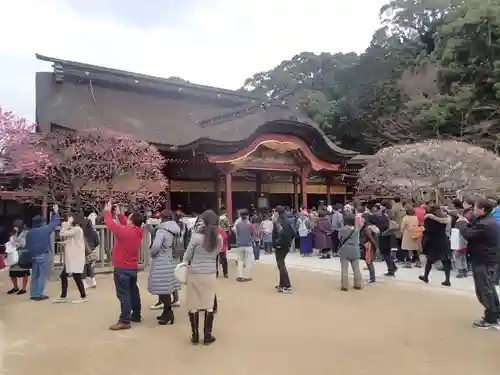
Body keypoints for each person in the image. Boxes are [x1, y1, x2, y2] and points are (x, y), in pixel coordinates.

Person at [456, 198, 500, 329]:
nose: (474, 211)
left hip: (483, 260)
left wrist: (461, 224)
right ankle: (496, 313)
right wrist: (467, 222)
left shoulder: (486, 224)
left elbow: (469, 234)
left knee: (484, 290)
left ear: (482, 209)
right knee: (489, 288)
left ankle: (491, 318)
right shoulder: (488, 221)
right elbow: (474, 227)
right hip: (487, 259)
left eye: (476, 208)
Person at [182, 210, 222, 345]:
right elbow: (216, 254)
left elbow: (186, 257)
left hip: (195, 273)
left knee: (194, 304)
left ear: (203, 222)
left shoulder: (195, 237)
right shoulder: (219, 238)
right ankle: (207, 336)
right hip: (210, 274)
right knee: (209, 304)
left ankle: (195, 335)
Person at [104, 202, 144, 331]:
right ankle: (136, 314)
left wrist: (107, 211)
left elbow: (109, 224)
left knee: (124, 294)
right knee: (133, 292)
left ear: (131, 221)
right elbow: (125, 223)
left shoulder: (124, 232)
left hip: (122, 268)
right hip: (132, 267)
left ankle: (125, 320)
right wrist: (119, 214)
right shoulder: (138, 231)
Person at [147, 209, 180, 325]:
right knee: (168, 287)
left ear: (162, 218)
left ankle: (168, 313)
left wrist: (151, 253)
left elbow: (156, 246)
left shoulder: (162, 230)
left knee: (162, 288)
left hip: (161, 261)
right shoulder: (176, 229)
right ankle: (166, 312)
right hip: (172, 259)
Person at [26, 204, 60, 301]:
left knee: (34, 275)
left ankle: (33, 293)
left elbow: (27, 244)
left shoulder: (30, 232)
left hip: (33, 256)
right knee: (42, 275)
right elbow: (55, 222)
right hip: (43, 254)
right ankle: (39, 294)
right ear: (42, 222)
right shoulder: (45, 229)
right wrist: (56, 212)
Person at [52, 213, 88, 304]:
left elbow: (61, 233)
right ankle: (63, 296)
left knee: (76, 276)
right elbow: (69, 239)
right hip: (73, 257)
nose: (69, 219)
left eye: (71, 218)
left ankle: (83, 296)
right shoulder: (76, 229)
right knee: (65, 275)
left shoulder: (77, 229)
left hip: (76, 257)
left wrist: (66, 224)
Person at [418, 205, 452, 287]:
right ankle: (447, 280)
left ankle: (426, 277)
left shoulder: (429, 219)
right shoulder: (444, 218)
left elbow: (428, 230)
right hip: (443, 240)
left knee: (429, 261)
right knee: (445, 261)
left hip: (433, 241)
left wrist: (423, 230)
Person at [273, 206, 295, 293]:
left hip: (280, 245)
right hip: (286, 245)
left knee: (280, 264)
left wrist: (277, 243)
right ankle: (282, 284)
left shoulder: (278, 222)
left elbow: (280, 234)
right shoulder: (289, 220)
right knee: (281, 264)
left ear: (277, 212)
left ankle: (286, 285)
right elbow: (294, 232)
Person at [338, 213, 362, 291]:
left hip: (345, 250)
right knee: (356, 268)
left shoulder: (343, 229)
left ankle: (344, 286)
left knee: (344, 269)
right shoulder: (357, 229)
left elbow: (339, 238)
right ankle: (358, 284)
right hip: (355, 250)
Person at [6, 220, 29, 295]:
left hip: (23, 254)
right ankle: (15, 287)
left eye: (16, 226)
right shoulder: (13, 233)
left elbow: (23, 244)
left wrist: (15, 244)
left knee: (24, 272)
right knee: (12, 272)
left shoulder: (26, 233)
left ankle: (24, 288)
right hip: (14, 254)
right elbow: (11, 241)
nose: (15, 227)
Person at [233, 209, 254, 282]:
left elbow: (236, 232)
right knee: (248, 261)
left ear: (240, 216)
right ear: (247, 216)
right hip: (248, 245)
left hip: (239, 244)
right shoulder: (250, 225)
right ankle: (246, 276)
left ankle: (240, 276)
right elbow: (252, 234)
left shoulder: (237, 225)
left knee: (240, 261)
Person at [360, 213, 379, 284]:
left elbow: (371, 239)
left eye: (363, 218)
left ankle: (372, 279)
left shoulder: (367, 228)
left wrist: (377, 248)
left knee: (369, 262)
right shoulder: (371, 227)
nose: (361, 219)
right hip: (369, 246)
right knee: (369, 262)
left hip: (369, 247)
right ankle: (372, 278)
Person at [81, 217, 99, 289]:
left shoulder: (82, 232)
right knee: (91, 266)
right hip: (92, 251)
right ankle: (93, 281)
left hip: (83, 251)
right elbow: (97, 242)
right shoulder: (94, 232)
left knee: (83, 267)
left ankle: (84, 283)